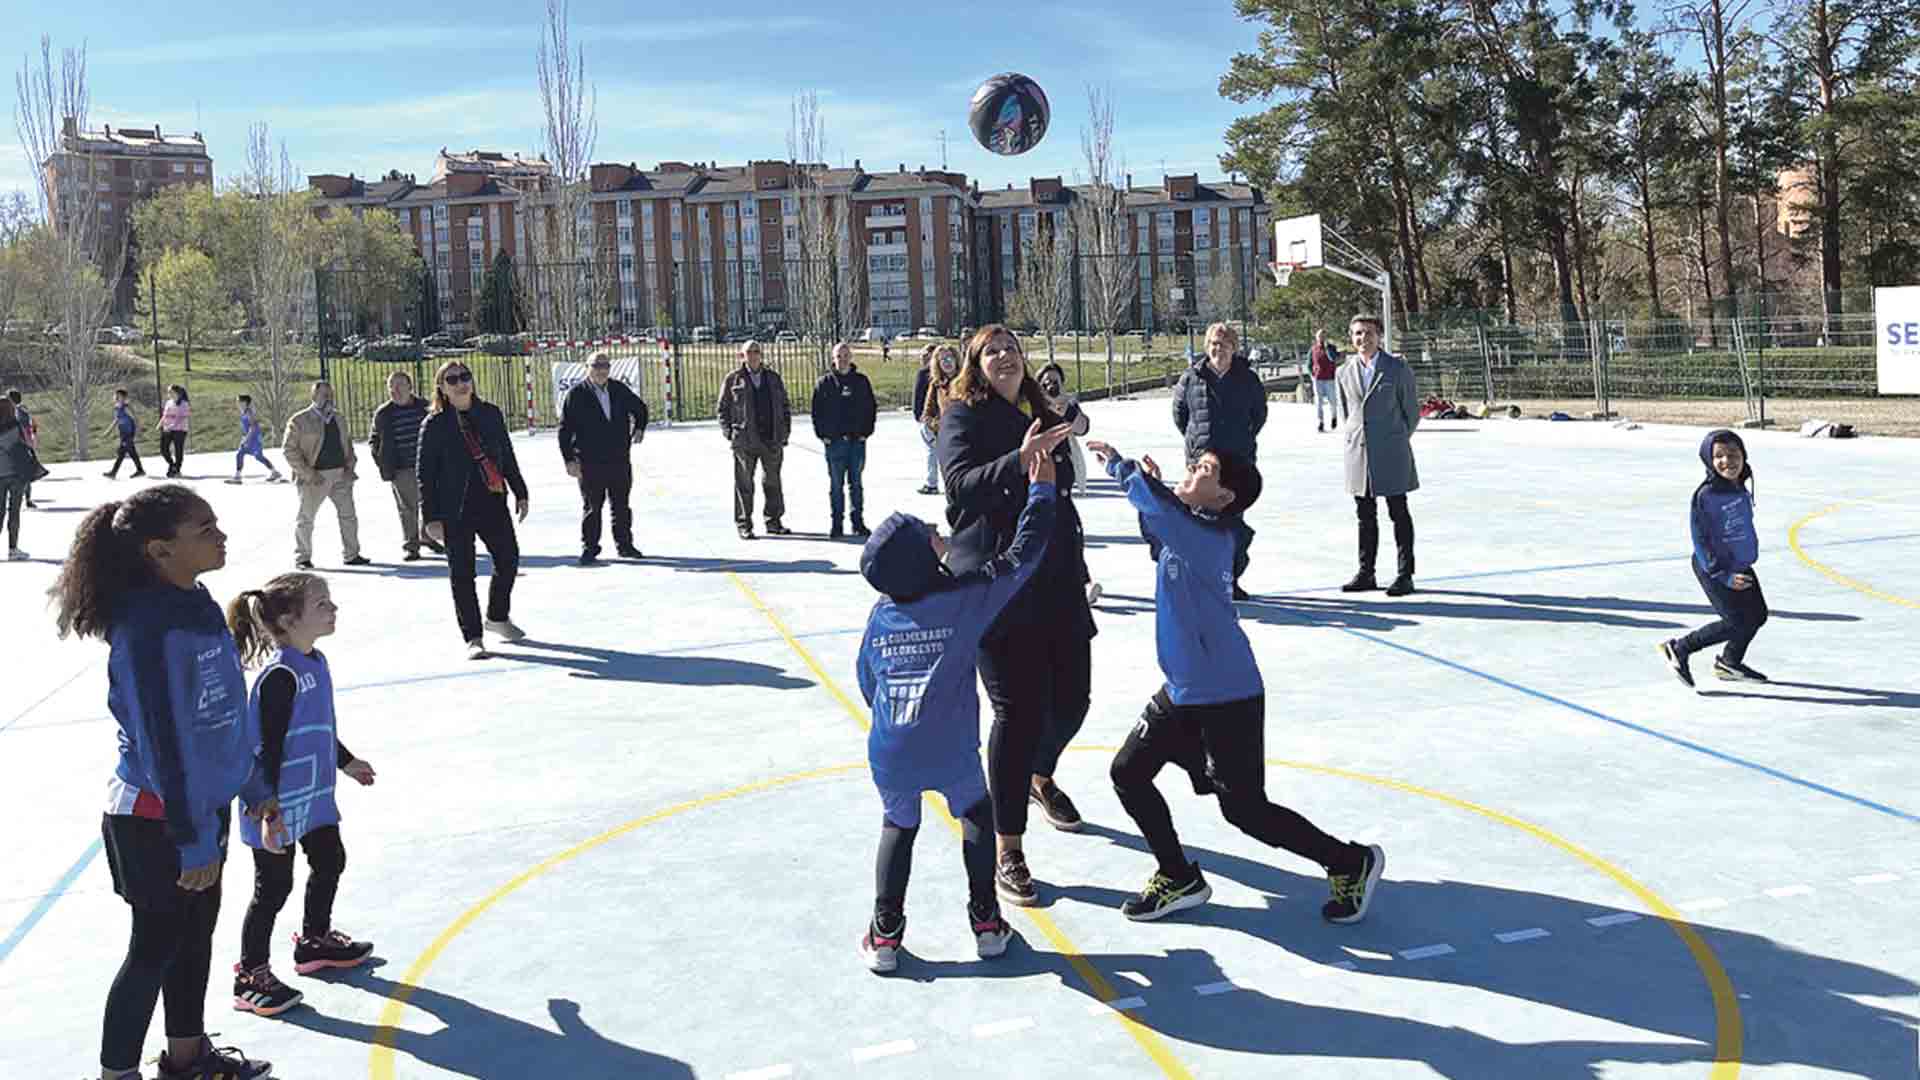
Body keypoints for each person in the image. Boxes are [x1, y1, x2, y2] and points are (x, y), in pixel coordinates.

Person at [1086, 438, 1385, 925]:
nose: (1192, 468)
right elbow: (1159, 532)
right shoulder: (1193, 526)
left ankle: (1350, 862)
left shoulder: (1211, 539)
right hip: (1183, 690)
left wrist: (1121, 468)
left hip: (1226, 695)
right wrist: (1165, 491)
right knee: (1128, 772)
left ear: (1225, 497)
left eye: (1204, 468)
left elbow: (1160, 516)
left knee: (1245, 812)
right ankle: (1177, 874)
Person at [49, 484, 279, 1080]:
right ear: (158, 550)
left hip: (204, 808)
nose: (221, 535)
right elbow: (161, 741)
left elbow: (220, 711)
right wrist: (190, 835)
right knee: (152, 947)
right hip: (156, 817)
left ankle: (188, 1058)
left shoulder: (198, 601)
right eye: (204, 529)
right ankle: (117, 1073)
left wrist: (249, 781)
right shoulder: (143, 628)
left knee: (195, 936)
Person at [852, 450, 1058, 972]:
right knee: (975, 816)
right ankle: (986, 923)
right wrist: (1041, 492)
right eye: (929, 533)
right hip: (949, 749)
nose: (938, 533)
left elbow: (866, 681)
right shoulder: (963, 600)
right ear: (921, 559)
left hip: (890, 747)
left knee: (898, 826)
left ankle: (885, 935)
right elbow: (1022, 557)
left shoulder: (882, 616)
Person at [936, 324, 1085, 906]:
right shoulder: (962, 416)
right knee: (1016, 712)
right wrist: (1018, 459)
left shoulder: (1043, 411)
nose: (1004, 357)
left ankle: (1038, 776)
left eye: (1012, 349)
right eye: (991, 351)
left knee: (1074, 698)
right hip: (997, 585)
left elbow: (1063, 487)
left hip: (1057, 577)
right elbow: (958, 488)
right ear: (976, 364)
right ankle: (1009, 848)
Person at [226, 572, 376, 1018]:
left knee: (330, 859)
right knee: (272, 887)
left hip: (314, 794)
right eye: (322, 605)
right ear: (289, 621)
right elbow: (265, 747)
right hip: (275, 801)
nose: (333, 610)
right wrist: (267, 809)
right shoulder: (279, 677)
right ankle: (250, 974)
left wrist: (345, 761)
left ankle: (314, 941)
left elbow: (320, 725)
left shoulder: (317, 662)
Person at [418, 359, 529, 660]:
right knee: (463, 574)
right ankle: (473, 636)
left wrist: (520, 490)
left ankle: (497, 617)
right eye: (452, 379)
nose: (460, 383)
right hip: (454, 508)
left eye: (464, 377)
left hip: (492, 499)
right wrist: (430, 518)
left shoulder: (490, 414)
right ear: (441, 387)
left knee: (508, 559)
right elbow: (425, 474)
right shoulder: (435, 424)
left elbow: (506, 453)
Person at [1660, 429, 1771, 687]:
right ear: (1709, 460)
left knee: (1757, 616)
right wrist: (1722, 574)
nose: (1727, 461)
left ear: (1743, 455)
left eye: (1733, 454)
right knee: (1736, 621)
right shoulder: (1705, 495)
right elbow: (1700, 540)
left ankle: (1729, 663)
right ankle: (1680, 648)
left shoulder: (1739, 486)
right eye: (1719, 455)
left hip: (1740, 564)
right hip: (1715, 567)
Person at [1172, 322, 1268, 599]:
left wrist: (1240, 442)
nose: (1218, 348)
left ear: (1234, 348)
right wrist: (1197, 445)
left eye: (1224, 344)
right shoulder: (1191, 377)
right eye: (1214, 343)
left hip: (1236, 466)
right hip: (1203, 465)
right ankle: (1200, 579)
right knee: (1198, 524)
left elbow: (1258, 416)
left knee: (1232, 526)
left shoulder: (1248, 379)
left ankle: (1231, 578)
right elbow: (1180, 415)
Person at [1336, 313, 1420, 597]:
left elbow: (1411, 413)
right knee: (1364, 515)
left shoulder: (1397, 369)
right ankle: (1366, 572)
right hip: (1358, 453)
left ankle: (1405, 574)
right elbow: (1347, 413)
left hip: (1391, 450)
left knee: (1398, 512)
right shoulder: (1343, 372)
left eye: (1368, 333)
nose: (1363, 338)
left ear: (1379, 336)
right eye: (1357, 333)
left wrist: (1394, 438)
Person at [558, 350, 648, 564]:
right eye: (596, 366)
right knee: (592, 506)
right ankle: (590, 547)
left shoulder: (618, 389)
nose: (601, 370)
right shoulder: (577, 394)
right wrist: (569, 459)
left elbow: (640, 408)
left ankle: (625, 545)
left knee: (621, 505)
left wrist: (640, 428)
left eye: (605, 366)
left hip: (619, 458)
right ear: (587, 368)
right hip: (589, 462)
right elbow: (565, 429)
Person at [283, 381, 369, 572]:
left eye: (330, 395)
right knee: (306, 519)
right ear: (313, 397)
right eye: (323, 395)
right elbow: (289, 451)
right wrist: (308, 474)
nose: (328, 398)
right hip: (314, 478)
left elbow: (348, 445)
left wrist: (350, 467)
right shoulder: (299, 421)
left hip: (340, 475)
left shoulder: (339, 418)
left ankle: (352, 554)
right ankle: (302, 557)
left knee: (349, 516)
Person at [1035, 361, 1102, 605]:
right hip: (1039, 477)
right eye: (1046, 380)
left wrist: (1067, 412)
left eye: (1055, 380)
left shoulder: (1068, 404)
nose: (1051, 385)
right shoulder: (1031, 404)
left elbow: (1083, 427)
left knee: (1070, 532)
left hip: (1062, 479)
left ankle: (1083, 582)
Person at [716, 340, 792, 540]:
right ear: (742, 356)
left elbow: (785, 406)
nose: (753, 355)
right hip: (745, 442)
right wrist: (729, 433)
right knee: (744, 484)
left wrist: (784, 433)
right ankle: (744, 524)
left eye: (756, 351)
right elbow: (722, 409)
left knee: (773, 482)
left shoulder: (773, 379)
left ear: (761, 354)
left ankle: (774, 521)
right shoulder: (733, 379)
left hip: (771, 439)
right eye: (749, 352)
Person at [812, 341, 878, 539]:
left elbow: (871, 409)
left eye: (846, 355)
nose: (842, 359)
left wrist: (866, 432)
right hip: (834, 444)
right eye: (839, 356)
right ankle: (837, 524)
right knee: (835, 485)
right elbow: (816, 413)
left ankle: (857, 523)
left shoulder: (861, 381)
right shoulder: (824, 383)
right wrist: (824, 435)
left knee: (856, 484)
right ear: (833, 359)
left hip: (857, 442)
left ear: (851, 357)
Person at [368, 372, 434, 561]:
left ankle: (428, 536)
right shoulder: (383, 413)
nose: (395, 390)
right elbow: (374, 440)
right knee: (407, 508)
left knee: (431, 503)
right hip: (401, 468)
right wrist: (383, 463)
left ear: (410, 387)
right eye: (391, 386)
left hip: (428, 465)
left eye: (399, 385)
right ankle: (411, 545)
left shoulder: (425, 407)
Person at [918, 345, 962, 496]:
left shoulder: (965, 381)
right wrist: (938, 426)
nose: (947, 362)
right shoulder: (936, 384)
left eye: (950, 358)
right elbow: (927, 413)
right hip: (946, 438)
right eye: (943, 359)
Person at [227, 394, 285, 486]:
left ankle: (238, 477)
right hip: (251, 438)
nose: (237, 403)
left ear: (245, 402)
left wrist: (246, 439)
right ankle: (274, 472)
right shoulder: (245, 412)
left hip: (254, 439)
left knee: (254, 456)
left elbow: (253, 427)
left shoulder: (249, 412)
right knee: (244, 454)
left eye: (239, 401)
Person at [0, 398, 28, 559]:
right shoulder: (15, 425)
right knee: (14, 511)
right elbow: (25, 445)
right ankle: (12, 549)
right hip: (16, 473)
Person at [105, 387, 146, 480]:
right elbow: (116, 419)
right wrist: (109, 430)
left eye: (118, 395)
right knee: (131, 452)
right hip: (122, 432)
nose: (116, 396)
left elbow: (135, 418)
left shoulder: (126, 407)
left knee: (122, 452)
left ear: (123, 396)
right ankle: (140, 470)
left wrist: (139, 430)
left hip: (129, 432)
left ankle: (113, 472)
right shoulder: (116, 407)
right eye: (116, 395)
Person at [7, 388, 37, 507]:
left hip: (20, 445)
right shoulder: (22, 410)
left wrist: (28, 443)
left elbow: (24, 429)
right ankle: (26, 498)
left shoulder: (19, 412)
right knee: (23, 473)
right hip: (22, 445)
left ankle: (25, 498)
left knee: (21, 473)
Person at [1310, 329, 1341, 432]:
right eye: (1319, 336)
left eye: (1323, 336)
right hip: (1318, 379)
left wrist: (1327, 348)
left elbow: (1333, 358)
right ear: (1316, 337)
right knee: (1318, 402)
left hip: (1329, 379)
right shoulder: (1313, 349)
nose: (1321, 338)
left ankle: (1334, 417)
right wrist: (1312, 374)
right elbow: (1309, 363)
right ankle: (1321, 422)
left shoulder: (1331, 348)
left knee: (1333, 401)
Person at [158, 385, 191, 478]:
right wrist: (160, 424)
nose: (169, 394)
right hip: (168, 429)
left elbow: (181, 418)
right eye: (168, 392)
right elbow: (165, 415)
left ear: (178, 393)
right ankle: (171, 464)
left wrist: (172, 426)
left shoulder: (184, 404)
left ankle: (177, 469)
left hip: (180, 430)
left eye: (171, 392)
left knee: (178, 451)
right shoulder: (168, 402)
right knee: (163, 449)